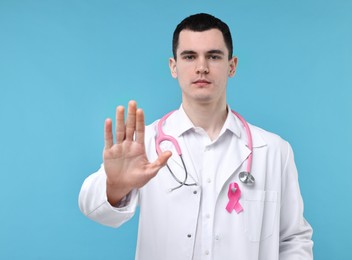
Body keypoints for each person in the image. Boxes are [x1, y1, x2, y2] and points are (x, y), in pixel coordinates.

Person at [79, 13, 313, 260]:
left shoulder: (274, 151)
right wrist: (116, 186)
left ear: (231, 66)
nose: (202, 67)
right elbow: (91, 207)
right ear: (173, 66)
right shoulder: (145, 143)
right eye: (190, 57)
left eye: (213, 56)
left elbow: (293, 239)